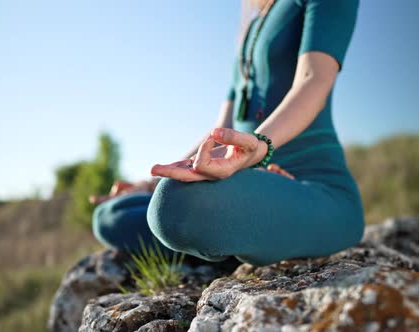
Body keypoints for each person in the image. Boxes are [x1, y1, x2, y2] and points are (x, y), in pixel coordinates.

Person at [90, 0, 365, 267]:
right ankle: (235, 235)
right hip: (253, 180)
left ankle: (227, 233)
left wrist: (259, 148)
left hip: (316, 190)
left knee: (174, 205)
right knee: (111, 215)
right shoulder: (254, 25)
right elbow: (221, 130)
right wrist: (156, 180)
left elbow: (313, 79)